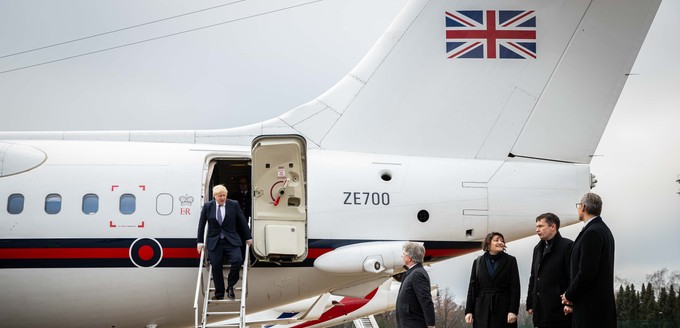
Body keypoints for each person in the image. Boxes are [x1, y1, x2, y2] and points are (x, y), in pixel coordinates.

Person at [561, 192, 616, 327]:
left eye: (578, 206)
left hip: (591, 311)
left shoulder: (592, 233)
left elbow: (586, 273)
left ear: (583, 207)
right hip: (599, 308)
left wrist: (569, 294)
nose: (578, 209)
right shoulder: (603, 230)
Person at [197, 185, 253, 300]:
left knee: (237, 261)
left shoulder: (234, 204)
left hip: (231, 240)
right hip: (215, 241)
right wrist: (200, 242)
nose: (223, 198)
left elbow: (242, 221)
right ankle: (219, 292)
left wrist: (248, 237)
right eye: (220, 196)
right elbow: (201, 225)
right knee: (216, 265)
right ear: (214, 196)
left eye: (224, 196)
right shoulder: (208, 206)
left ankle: (230, 286)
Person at [526, 213, 573, 328]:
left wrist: (571, 302)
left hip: (560, 309)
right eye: (536, 226)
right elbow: (533, 277)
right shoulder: (537, 249)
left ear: (553, 227)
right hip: (540, 309)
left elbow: (571, 277)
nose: (537, 230)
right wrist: (530, 302)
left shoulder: (568, 246)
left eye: (541, 226)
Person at [465, 232, 520, 327]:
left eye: (502, 240)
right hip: (481, 309)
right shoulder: (478, 262)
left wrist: (513, 311)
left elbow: (515, 287)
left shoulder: (510, 261)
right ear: (488, 243)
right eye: (496, 240)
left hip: (503, 308)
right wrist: (469, 311)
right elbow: (472, 288)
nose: (500, 242)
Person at [395, 242, 435, 328]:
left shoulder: (417, 274)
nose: (402, 256)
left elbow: (426, 300)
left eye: (404, 254)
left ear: (409, 258)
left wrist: (431, 325)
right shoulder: (412, 273)